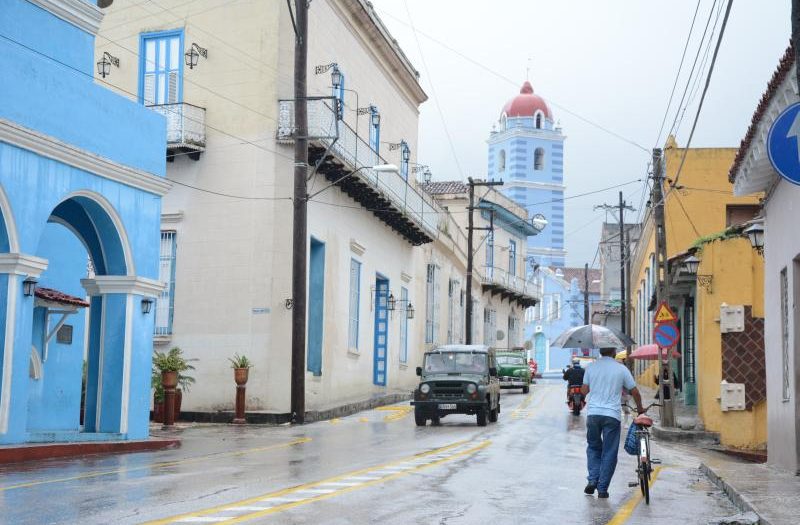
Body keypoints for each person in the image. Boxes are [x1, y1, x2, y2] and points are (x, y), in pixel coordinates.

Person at [580, 347, 645, 499]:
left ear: (601, 352)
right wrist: (640, 409)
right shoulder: (621, 369)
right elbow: (634, 391)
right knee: (609, 451)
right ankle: (602, 488)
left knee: (593, 448)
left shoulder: (591, 367)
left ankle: (592, 480)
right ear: (614, 352)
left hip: (594, 414)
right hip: (612, 415)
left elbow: (584, 391)